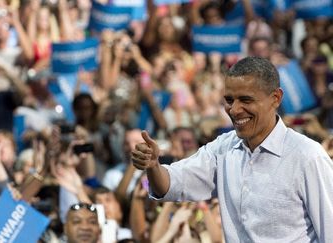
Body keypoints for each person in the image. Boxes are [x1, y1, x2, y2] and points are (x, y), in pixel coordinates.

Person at [132, 56, 333, 242]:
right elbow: (171, 185)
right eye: (229, 100)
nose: (235, 110)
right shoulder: (223, 149)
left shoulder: (308, 156)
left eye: (246, 100)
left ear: (276, 98)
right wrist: (153, 166)